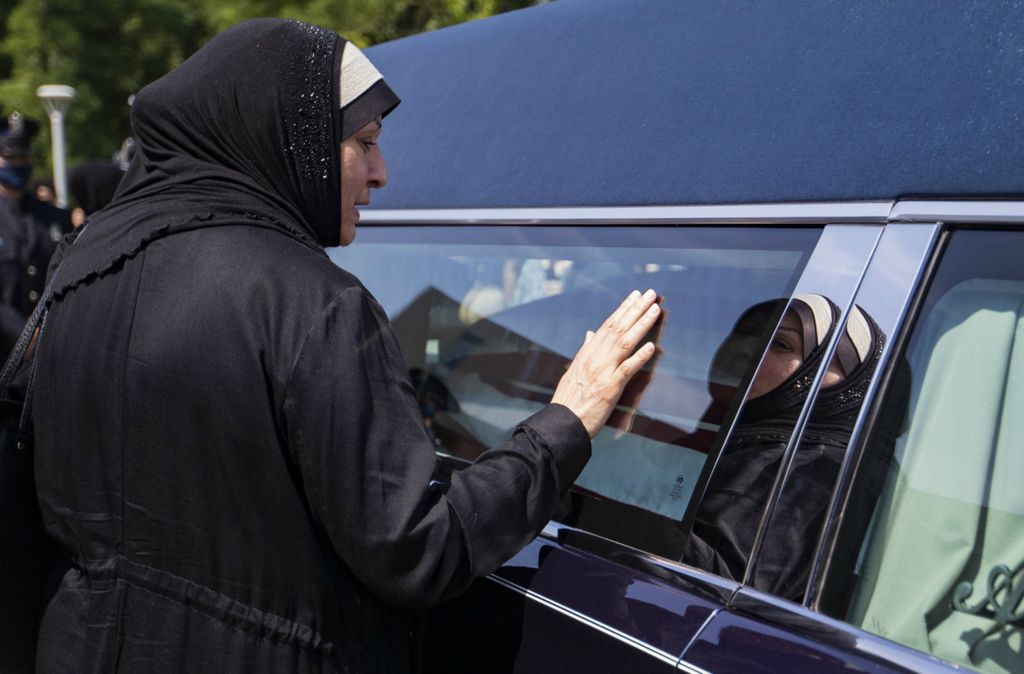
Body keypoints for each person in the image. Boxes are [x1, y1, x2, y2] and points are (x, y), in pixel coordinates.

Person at [18, 19, 660, 672]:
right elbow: (416, 550)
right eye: (364, 141)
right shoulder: (311, 301)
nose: (383, 173)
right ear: (287, 138)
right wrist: (568, 421)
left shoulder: (84, 266)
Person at [684, 294, 883, 601]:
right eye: (746, 332)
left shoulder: (812, 472)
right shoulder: (719, 441)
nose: (747, 350)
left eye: (780, 344)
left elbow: (716, 592)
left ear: (840, 382)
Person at [0, 112, 72, 358]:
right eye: (11, 157)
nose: (19, 163)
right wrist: (24, 336)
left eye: (24, 156)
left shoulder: (55, 218)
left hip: (49, 351)